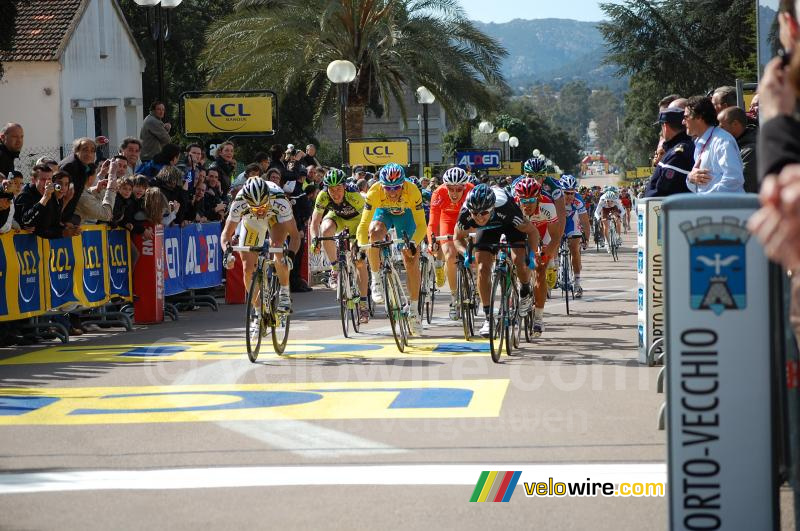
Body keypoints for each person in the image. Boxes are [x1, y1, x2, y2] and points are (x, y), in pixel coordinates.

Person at [453, 183, 539, 338]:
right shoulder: (466, 213)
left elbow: (532, 232)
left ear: (492, 208)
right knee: (482, 268)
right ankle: (488, 318)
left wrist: (531, 255)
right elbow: (457, 238)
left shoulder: (507, 209)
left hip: (509, 224)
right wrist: (467, 253)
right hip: (488, 230)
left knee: (520, 261)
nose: (479, 217)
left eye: (484, 212)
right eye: (475, 213)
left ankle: (525, 290)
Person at [357, 163, 427, 335]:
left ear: (403, 184)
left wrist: (413, 243)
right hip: (384, 213)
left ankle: (414, 310)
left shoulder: (412, 191)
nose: (393, 192)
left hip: (406, 215)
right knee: (373, 233)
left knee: (411, 259)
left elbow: (421, 226)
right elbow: (363, 224)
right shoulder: (374, 192)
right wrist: (361, 246)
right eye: (388, 188)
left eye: (397, 187)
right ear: (381, 185)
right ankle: (376, 279)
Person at [221, 178, 300, 320]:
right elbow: (226, 235)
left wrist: (290, 257)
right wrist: (227, 254)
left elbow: (295, 236)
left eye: (262, 206)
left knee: (277, 248)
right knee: (247, 268)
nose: (260, 211)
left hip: (275, 216)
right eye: (256, 208)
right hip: (251, 221)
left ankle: (284, 292)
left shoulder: (280, 199)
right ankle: (258, 312)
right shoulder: (239, 202)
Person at [310, 168, 370, 322]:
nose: (335, 193)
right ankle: (335, 269)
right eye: (331, 189)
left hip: (358, 221)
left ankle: (363, 305)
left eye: (338, 189)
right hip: (337, 217)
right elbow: (314, 222)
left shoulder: (354, 195)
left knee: (359, 262)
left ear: (345, 186)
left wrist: (359, 241)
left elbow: (367, 219)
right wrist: (314, 239)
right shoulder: (322, 196)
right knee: (325, 229)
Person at [427, 166, 474, 320]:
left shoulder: (471, 191)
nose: (454, 193)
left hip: (467, 220)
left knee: (477, 253)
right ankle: (454, 299)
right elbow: (433, 223)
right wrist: (431, 241)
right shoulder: (438, 193)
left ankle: (477, 286)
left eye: (459, 189)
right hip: (447, 220)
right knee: (450, 255)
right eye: (450, 189)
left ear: (465, 187)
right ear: (445, 186)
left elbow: (480, 219)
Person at [512, 178, 554, 336]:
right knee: (514, 258)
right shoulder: (513, 204)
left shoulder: (548, 205)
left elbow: (555, 237)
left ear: (538, 198)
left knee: (541, 269)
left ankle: (538, 318)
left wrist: (544, 254)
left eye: (531, 200)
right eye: (523, 200)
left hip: (543, 233)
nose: (527, 204)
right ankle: (515, 293)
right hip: (521, 231)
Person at [683, 96, 745, 194]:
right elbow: (699, 186)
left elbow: (734, 179)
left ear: (699, 117)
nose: (683, 122)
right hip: (711, 207)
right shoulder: (700, 142)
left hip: (727, 208)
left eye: (686, 117)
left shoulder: (722, 141)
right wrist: (690, 178)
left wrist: (707, 199)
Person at [645, 106, 695, 197]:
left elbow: (662, 190)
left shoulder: (678, 153)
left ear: (665, 126)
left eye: (661, 127)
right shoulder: (677, 148)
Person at [559, 175, 591, 298]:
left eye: (572, 193)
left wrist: (586, 239)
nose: (570, 196)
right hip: (557, 220)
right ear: (561, 191)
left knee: (574, 248)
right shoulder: (555, 198)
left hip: (571, 221)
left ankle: (577, 283)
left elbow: (585, 221)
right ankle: (554, 267)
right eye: (566, 193)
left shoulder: (578, 200)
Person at [718, 106, 759, 193]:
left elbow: (744, 185)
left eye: (722, 127)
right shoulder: (730, 145)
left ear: (735, 124)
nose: (718, 131)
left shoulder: (750, 151)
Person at [594, 189, 625, 253]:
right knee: (605, 225)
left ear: (614, 200)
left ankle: (618, 237)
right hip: (604, 209)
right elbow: (596, 212)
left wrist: (619, 217)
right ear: (605, 200)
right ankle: (607, 243)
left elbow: (623, 211)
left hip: (614, 209)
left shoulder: (617, 200)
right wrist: (598, 218)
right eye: (608, 201)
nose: (609, 203)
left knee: (618, 220)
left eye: (611, 201)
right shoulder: (602, 201)